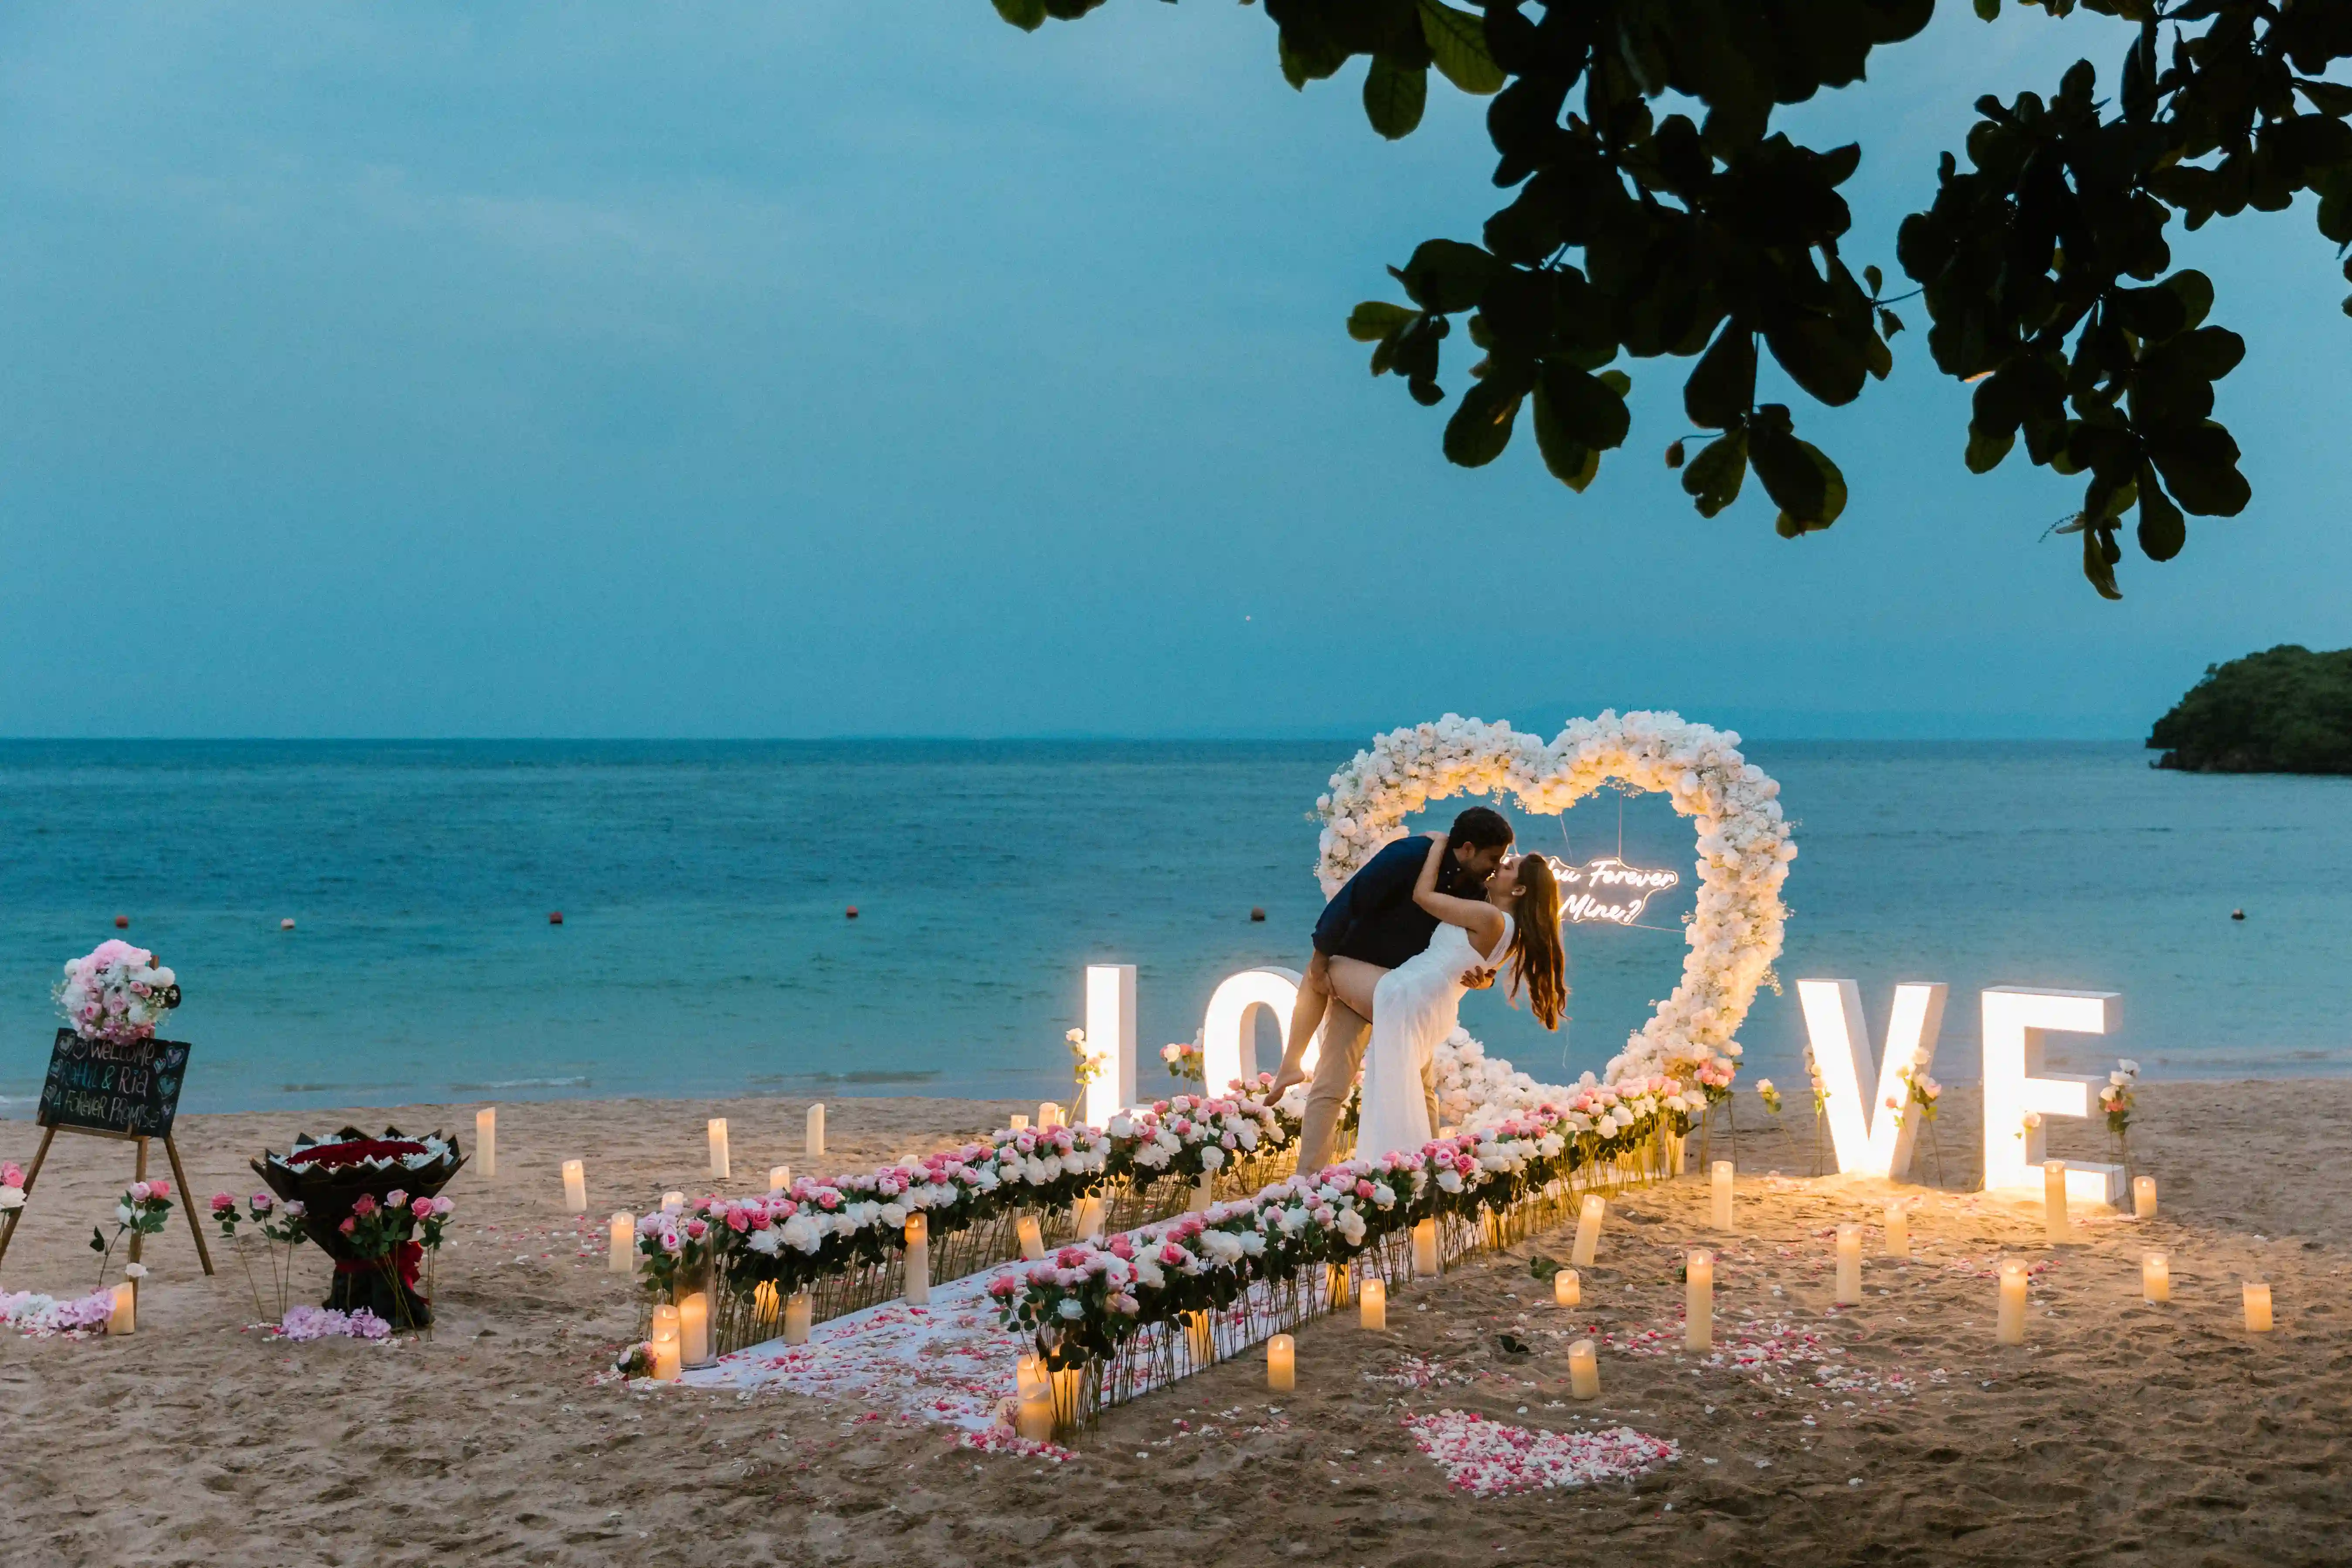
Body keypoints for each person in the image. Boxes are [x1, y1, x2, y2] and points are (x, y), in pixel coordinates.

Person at [1271, 806, 1516, 1172]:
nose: (1497, 867)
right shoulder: (1408, 855)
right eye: (1493, 858)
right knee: (1332, 1084)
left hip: (1411, 994)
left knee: (1421, 1088)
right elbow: (1350, 900)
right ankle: (1308, 1180)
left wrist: (1486, 978)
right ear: (1467, 848)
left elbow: (1479, 948)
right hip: (1362, 976)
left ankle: (1432, 1173)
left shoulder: (1478, 889)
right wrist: (1321, 958)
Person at [1346, 833, 1567, 1160]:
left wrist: (1439, 845)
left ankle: (1396, 1162)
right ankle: (1409, 1163)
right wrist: (1484, 982)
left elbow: (1423, 896)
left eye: (1508, 867)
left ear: (1519, 890)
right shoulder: (1512, 932)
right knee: (1401, 1090)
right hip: (1430, 1004)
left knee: (1328, 969)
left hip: (1411, 995)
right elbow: (1480, 970)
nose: (1498, 868)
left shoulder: (1489, 917)